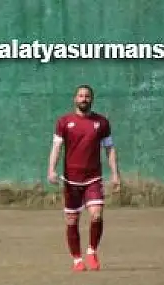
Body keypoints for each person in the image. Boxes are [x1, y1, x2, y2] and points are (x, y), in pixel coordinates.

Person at [47, 84, 121, 271]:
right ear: (75, 99)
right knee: (72, 221)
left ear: (92, 99)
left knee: (96, 214)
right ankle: (77, 260)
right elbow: (56, 147)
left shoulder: (101, 123)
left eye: (87, 96)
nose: (83, 99)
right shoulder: (64, 122)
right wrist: (51, 170)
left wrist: (115, 174)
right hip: (71, 180)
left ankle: (91, 251)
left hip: (93, 178)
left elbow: (109, 149)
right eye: (80, 96)